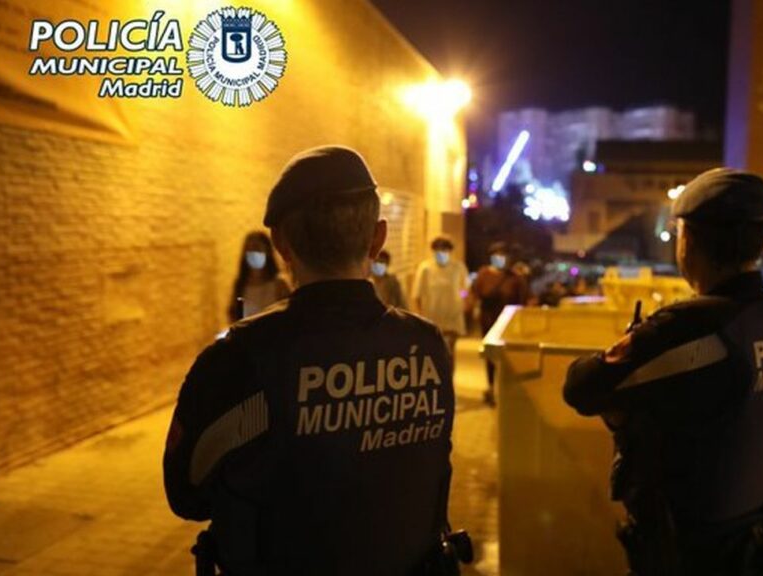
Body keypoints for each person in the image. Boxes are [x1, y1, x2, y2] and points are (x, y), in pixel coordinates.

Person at [164, 146, 457, 575]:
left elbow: (186, 493)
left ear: (281, 243)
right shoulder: (428, 347)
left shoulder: (238, 359)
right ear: (378, 238)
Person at [563, 168, 763, 576]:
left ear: (689, 240)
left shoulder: (691, 328)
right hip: (760, 539)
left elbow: (581, 388)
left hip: (692, 548)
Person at [471, 242, 530, 405]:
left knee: (505, 357)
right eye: (497, 255)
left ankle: (504, 389)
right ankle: (491, 387)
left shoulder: (516, 278)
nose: (500, 259)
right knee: (490, 356)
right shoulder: (483, 274)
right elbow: (475, 294)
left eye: (503, 256)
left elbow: (522, 302)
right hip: (488, 321)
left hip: (507, 325)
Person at [412, 236, 469, 363]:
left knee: (449, 353)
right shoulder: (425, 268)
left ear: (450, 251)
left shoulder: (458, 267)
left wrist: (464, 302)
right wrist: (419, 315)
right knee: (434, 353)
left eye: (444, 250)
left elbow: (464, 289)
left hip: (453, 317)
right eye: (437, 251)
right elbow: (417, 294)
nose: (441, 254)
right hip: (432, 318)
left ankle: (449, 380)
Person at [228, 231, 292, 321]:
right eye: (249, 249)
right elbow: (234, 316)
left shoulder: (279, 284)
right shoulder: (240, 285)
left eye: (257, 248)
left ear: (267, 251)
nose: (253, 253)